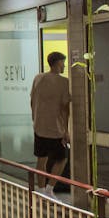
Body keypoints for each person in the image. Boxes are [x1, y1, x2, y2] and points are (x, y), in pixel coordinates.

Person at [30, 51, 71, 192]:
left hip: (39, 127)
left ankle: (41, 190)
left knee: (41, 159)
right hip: (56, 130)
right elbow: (65, 108)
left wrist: (35, 118)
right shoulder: (64, 82)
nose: (64, 65)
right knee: (62, 159)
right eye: (63, 62)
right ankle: (49, 189)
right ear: (58, 63)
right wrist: (66, 131)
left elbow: (32, 101)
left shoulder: (38, 78)